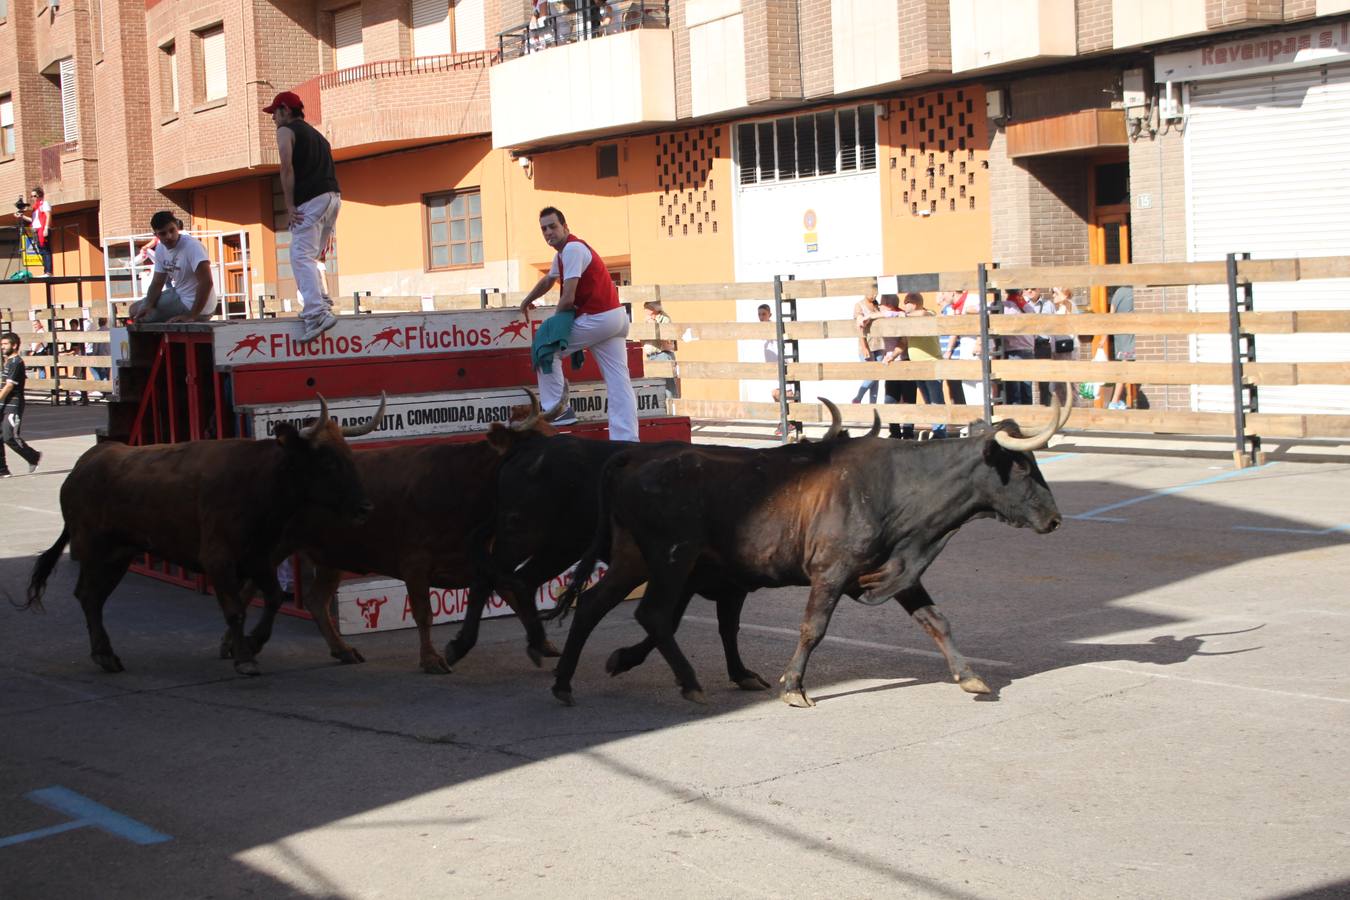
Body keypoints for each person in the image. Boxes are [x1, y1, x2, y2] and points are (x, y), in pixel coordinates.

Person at [519, 206, 638, 440]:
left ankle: (559, 409)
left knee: (545, 347)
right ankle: (627, 439)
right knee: (618, 381)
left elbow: (568, 297)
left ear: (565, 227)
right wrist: (526, 301)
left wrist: (555, 326)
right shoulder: (563, 254)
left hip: (599, 318)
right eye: (544, 229)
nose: (548, 232)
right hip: (615, 318)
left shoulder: (572, 249)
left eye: (553, 226)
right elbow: (548, 279)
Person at [266, 90, 341, 343]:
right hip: (333, 197)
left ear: (285, 110)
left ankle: (317, 313)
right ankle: (321, 302)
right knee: (311, 256)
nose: (273, 119)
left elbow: (286, 167)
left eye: (274, 113)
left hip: (312, 199)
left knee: (299, 255)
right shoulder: (318, 135)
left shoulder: (286, 131)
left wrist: (289, 206)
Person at [127, 212, 216, 324]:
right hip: (179, 294)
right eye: (163, 233)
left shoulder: (193, 247)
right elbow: (157, 283)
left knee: (143, 319)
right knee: (134, 311)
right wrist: (148, 305)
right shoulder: (160, 249)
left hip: (198, 307)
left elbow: (207, 282)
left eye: (172, 230)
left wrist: (191, 316)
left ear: (177, 228)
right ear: (156, 235)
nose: (169, 236)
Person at [0, 331, 42, 476]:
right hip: (4, 405)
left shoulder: (17, 362)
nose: (2, 347)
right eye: (2, 344)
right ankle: (2, 469)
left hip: (13, 405)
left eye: (5, 344)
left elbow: (9, 386)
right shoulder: (8, 362)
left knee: (9, 436)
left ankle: (33, 456)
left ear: (15, 345)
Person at [1046, 287, 1079, 407]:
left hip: (1068, 349)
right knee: (1059, 385)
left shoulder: (1069, 305)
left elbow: (1065, 299)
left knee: (1069, 383)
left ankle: (1074, 411)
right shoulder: (1059, 308)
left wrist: (1058, 289)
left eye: (1055, 293)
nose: (1053, 295)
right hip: (1058, 349)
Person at [851, 288, 885, 404]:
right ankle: (858, 397)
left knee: (877, 378)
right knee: (872, 375)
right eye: (872, 292)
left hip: (880, 344)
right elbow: (859, 327)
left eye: (876, 293)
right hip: (867, 345)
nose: (875, 295)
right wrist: (864, 346)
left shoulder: (877, 305)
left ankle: (873, 405)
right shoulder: (859, 305)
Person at [1000, 290, 1034, 405]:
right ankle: (1027, 419)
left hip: (1014, 350)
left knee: (1015, 392)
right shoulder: (1026, 305)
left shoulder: (1007, 306)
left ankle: (1017, 419)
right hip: (1028, 350)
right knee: (1026, 391)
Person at [642, 299, 678, 400]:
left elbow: (666, 338)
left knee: (668, 386)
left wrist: (653, 324)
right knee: (654, 386)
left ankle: (672, 410)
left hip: (662, 354)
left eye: (647, 306)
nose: (644, 309)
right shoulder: (647, 320)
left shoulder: (665, 319)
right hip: (651, 356)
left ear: (654, 308)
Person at [937, 292, 967, 407]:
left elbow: (954, 331)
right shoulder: (944, 311)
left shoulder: (949, 310)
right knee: (953, 388)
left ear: (943, 296)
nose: (937, 296)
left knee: (956, 388)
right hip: (948, 355)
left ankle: (961, 418)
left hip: (952, 356)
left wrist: (948, 350)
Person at [1108, 284, 1135, 410]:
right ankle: (1114, 401)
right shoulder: (1133, 292)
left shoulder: (1118, 292)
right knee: (1125, 366)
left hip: (1118, 335)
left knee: (1124, 365)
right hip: (1129, 334)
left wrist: (1105, 337)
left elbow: (1111, 313)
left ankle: (1118, 400)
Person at [16, 186, 53, 277]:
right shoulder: (35, 208)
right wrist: (22, 216)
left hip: (42, 230)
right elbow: (33, 220)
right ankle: (46, 272)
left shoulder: (44, 204)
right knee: (41, 251)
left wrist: (46, 228)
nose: (32, 198)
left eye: (34, 196)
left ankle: (48, 272)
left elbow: (48, 216)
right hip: (36, 230)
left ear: (39, 196)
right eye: (31, 196)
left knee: (45, 250)